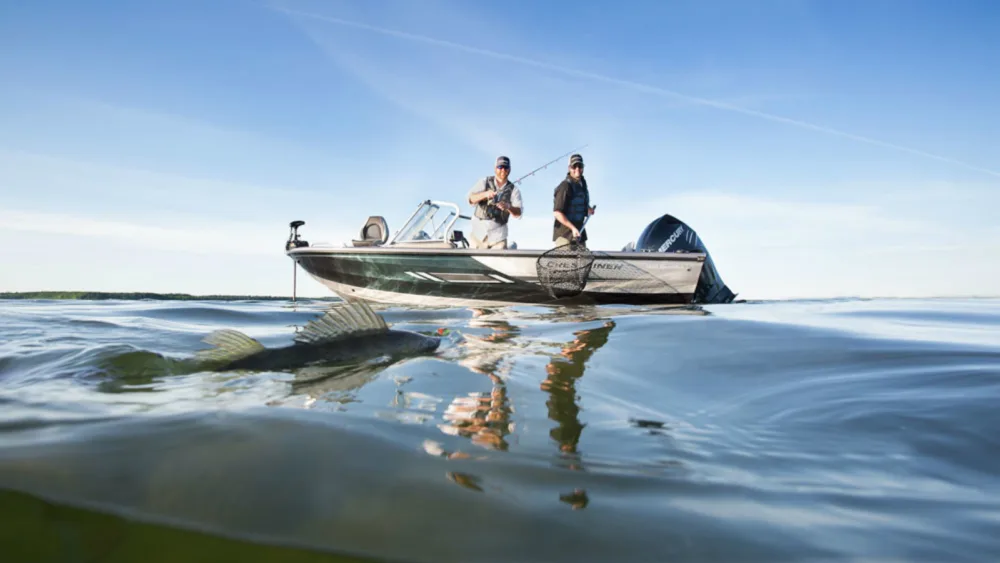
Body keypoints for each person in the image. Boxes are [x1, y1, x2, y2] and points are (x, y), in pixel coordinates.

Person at [467, 155, 522, 249]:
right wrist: (485, 194)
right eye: (500, 167)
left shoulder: (514, 190)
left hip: (498, 238)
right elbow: (471, 199)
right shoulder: (484, 182)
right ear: (495, 168)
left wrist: (508, 206)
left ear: (509, 169)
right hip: (478, 236)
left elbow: (518, 213)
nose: (503, 170)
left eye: (506, 167)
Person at [552, 153, 595, 247]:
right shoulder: (565, 186)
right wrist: (572, 228)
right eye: (574, 166)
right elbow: (557, 213)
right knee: (566, 261)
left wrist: (588, 209)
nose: (577, 169)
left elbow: (579, 204)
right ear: (569, 168)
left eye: (580, 166)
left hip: (580, 235)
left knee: (583, 261)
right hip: (565, 236)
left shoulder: (582, 186)